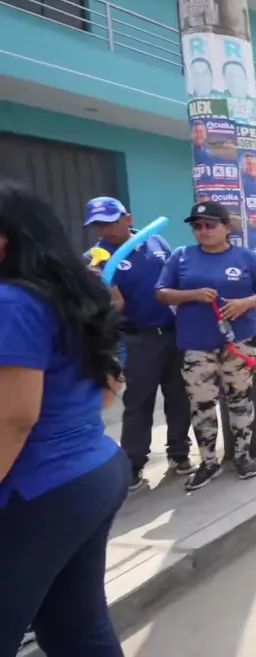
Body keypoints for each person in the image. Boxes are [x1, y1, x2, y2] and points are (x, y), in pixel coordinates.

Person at [0, 181, 131, 655]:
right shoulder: (73, 294)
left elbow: (15, 417)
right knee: (75, 628)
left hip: (38, 486)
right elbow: (110, 387)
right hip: (92, 468)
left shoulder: (11, 301)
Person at [156, 201, 256, 491]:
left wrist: (244, 303)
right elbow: (162, 293)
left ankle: (243, 456)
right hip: (196, 343)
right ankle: (209, 461)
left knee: (240, 398)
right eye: (197, 226)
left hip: (239, 342)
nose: (203, 230)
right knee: (201, 403)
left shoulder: (245, 257)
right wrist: (193, 294)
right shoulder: (181, 256)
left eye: (210, 224)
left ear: (226, 227)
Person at [83, 197, 193, 490]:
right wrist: (101, 288)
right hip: (137, 337)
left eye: (110, 221)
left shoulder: (155, 241)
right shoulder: (95, 258)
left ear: (128, 219)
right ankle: (133, 464)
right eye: (99, 224)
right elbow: (103, 306)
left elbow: (173, 279)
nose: (105, 229)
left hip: (173, 332)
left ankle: (179, 453)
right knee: (139, 401)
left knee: (179, 396)